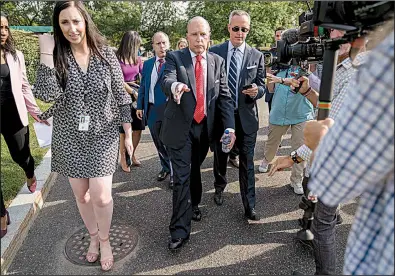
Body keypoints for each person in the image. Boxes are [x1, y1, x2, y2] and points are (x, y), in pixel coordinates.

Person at [34, 1, 133, 271]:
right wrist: (45, 53)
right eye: (64, 22)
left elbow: (120, 92)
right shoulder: (56, 56)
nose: (72, 28)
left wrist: (126, 132)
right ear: (58, 26)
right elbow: (46, 95)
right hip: (69, 135)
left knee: (101, 196)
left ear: (85, 21)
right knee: (82, 196)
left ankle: (105, 240)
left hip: (103, 132)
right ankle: (92, 238)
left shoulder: (105, 53)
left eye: (76, 21)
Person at [303, 27, 394, 275]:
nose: (335, 36)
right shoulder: (340, 67)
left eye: (342, 30)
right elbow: (326, 106)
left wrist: (294, 156)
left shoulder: (358, 70)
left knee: (323, 225)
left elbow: (331, 126)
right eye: (332, 30)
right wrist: (307, 91)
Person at [160, 16, 235, 251]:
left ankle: (194, 204)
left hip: (205, 130)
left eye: (203, 34)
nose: (199, 39)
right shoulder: (175, 57)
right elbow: (167, 79)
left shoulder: (217, 62)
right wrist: (175, 87)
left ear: (209, 36)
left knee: (194, 170)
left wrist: (230, 128)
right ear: (187, 35)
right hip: (181, 127)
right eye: (194, 34)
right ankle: (180, 231)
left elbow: (224, 96)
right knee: (182, 176)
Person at [209, 10, 265, 220]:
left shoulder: (256, 55)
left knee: (247, 162)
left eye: (244, 29)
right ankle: (219, 186)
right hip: (222, 117)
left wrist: (257, 91)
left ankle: (249, 205)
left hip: (247, 118)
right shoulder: (214, 52)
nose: (240, 33)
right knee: (221, 155)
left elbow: (262, 86)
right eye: (236, 28)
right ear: (228, 28)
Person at [0, 13, 49, 238]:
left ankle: (29, 173)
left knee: (22, 156)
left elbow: (25, 87)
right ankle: (2, 214)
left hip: (13, 115)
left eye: (6, 27)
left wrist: (36, 112)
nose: (3, 31)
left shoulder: (16, 56)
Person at [257, 29, 316, 195]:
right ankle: (267, 159)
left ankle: (296, 180)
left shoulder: (306, 61)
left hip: (301, 112)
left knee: (300, 147)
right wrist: (269, 74)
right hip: (279, 110)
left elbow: (307, 80)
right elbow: (270, 88)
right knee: (272, 142)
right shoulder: (277, 59)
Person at [136, 32, 173, 188]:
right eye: (158, 43)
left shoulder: (174, 62)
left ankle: (174, 173)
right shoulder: (148, 64)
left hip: (169, 109)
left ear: (169, 44)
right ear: (153, 46)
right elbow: (143, 86)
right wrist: (139, 105)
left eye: (164, 42)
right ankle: (165, 167)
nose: (161, 46)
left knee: (170, 143)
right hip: (151, 109)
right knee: (158, 142)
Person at [116, 30, 144, 172]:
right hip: (122, 95)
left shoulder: (137, 59)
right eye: (137, 44)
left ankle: (131, 154)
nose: (138, 47)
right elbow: (118, 81)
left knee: (138, 128)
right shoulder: (116, 58)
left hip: (136, 93)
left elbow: (143, 75)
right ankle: (123, 157)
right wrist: (133, 92)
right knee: (124, 130)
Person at [265, 26, 284, 112]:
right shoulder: (269, 53)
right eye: (277, 35)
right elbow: (265, 72)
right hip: (271, 89)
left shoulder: (291, 52)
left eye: (282, 35)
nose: (279, 38)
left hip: (285, 88)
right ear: (274, 37)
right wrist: (269, 72)